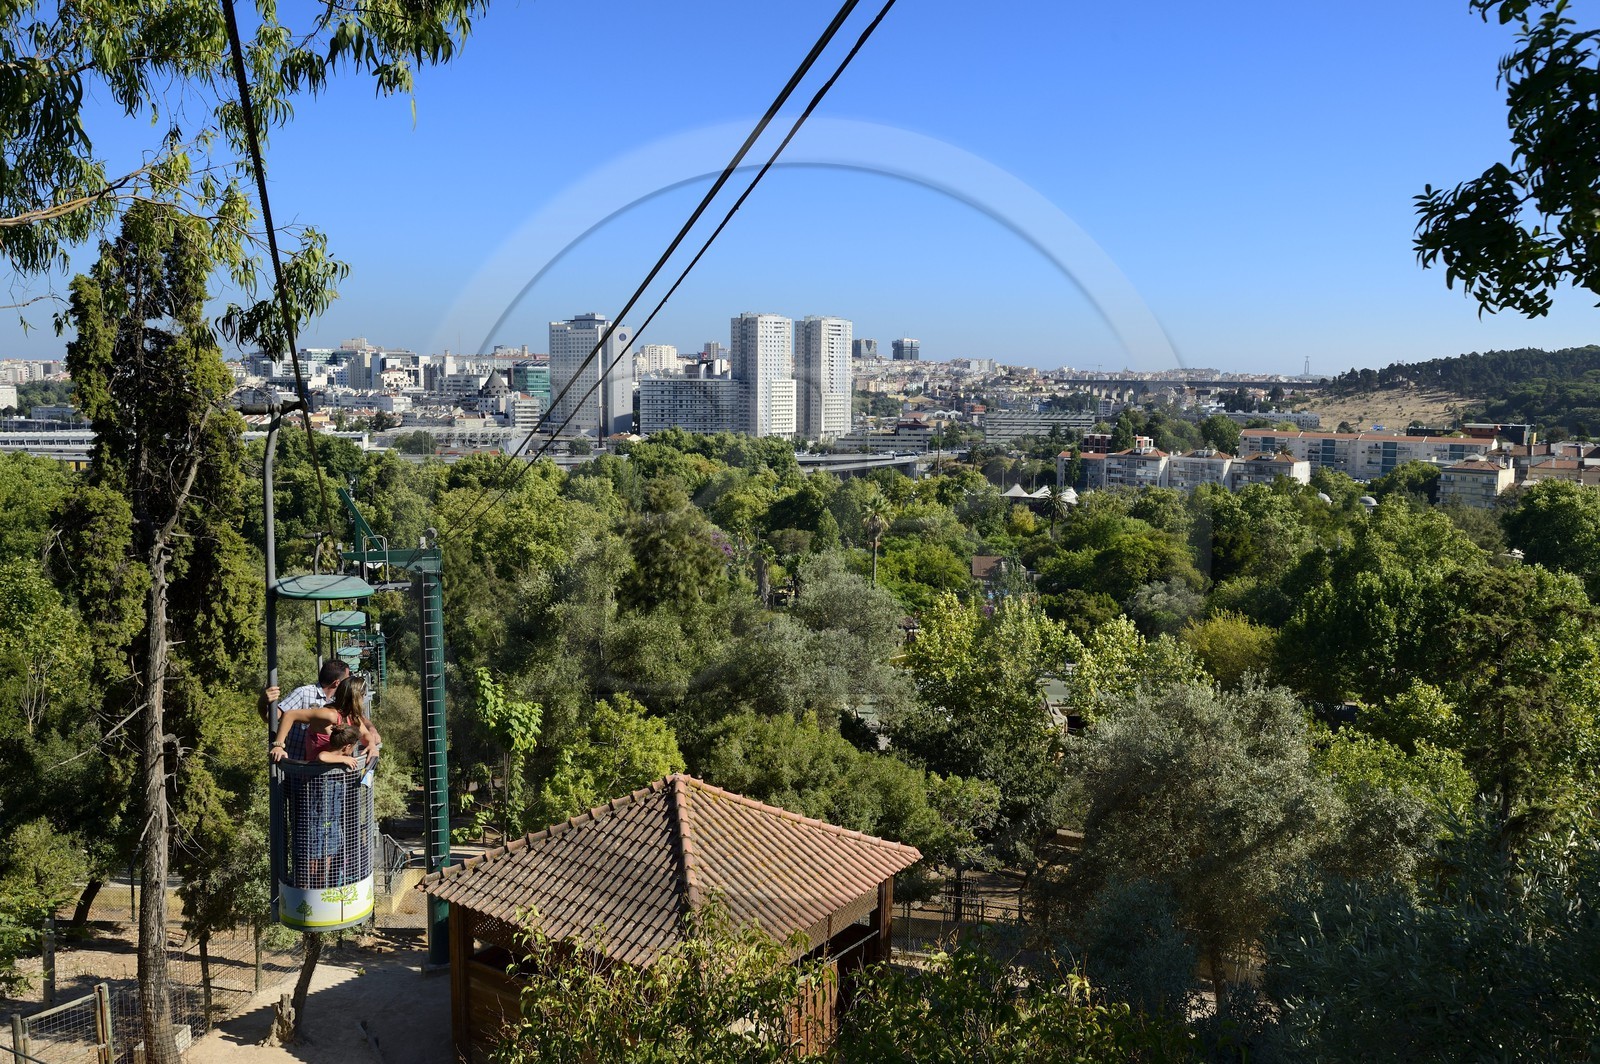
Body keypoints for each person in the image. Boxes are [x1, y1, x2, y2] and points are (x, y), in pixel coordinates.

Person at [260, 659, 350, 761]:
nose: (348, 683)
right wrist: (262, 703)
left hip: (323, 764)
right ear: (337, 683)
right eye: (346, 679)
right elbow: (271, 717)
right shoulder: (304, 693)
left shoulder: (338, 700)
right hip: (298, 761)